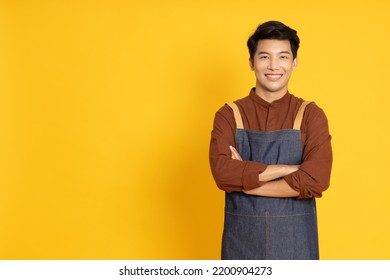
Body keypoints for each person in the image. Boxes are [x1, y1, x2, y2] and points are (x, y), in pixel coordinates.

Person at [209, 21, 332, 260]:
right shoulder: (228, 115)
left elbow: (316, 180)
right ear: (252, 63)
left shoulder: (310, 115)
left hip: (297, 247)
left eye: (283, 57)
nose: (274, 66)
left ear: (294, 63)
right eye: (264, 57)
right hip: (241, 247)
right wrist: (289, 169)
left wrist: (246, 182)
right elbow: (223, 173)